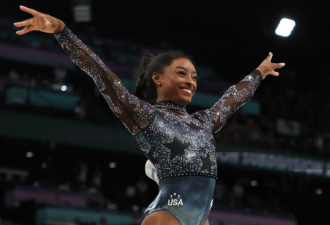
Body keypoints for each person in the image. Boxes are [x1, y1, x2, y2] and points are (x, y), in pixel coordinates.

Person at [14, 5, 285, 225]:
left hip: (200, 219)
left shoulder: (203, 121)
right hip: (168, 217)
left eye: (194, 76)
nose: (191, 81)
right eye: (181, 73)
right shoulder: (146, 115)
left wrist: (258, 73)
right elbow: (102, 75)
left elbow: (232, 99)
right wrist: (62, 31)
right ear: (157, 78)